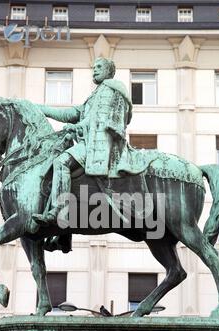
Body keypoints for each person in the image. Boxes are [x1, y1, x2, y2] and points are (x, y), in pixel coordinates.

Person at [33, 57, 157, 227]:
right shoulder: (96, 94)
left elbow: (99, 119)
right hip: (88, 143)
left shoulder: (110, 90)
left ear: (108, 71)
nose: (95, 70)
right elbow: (73, 113)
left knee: (61, 162)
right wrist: (41, 110)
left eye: (99, 67)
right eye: (94, 67)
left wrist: (76, 126)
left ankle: (59, 211)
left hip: (98, 145)